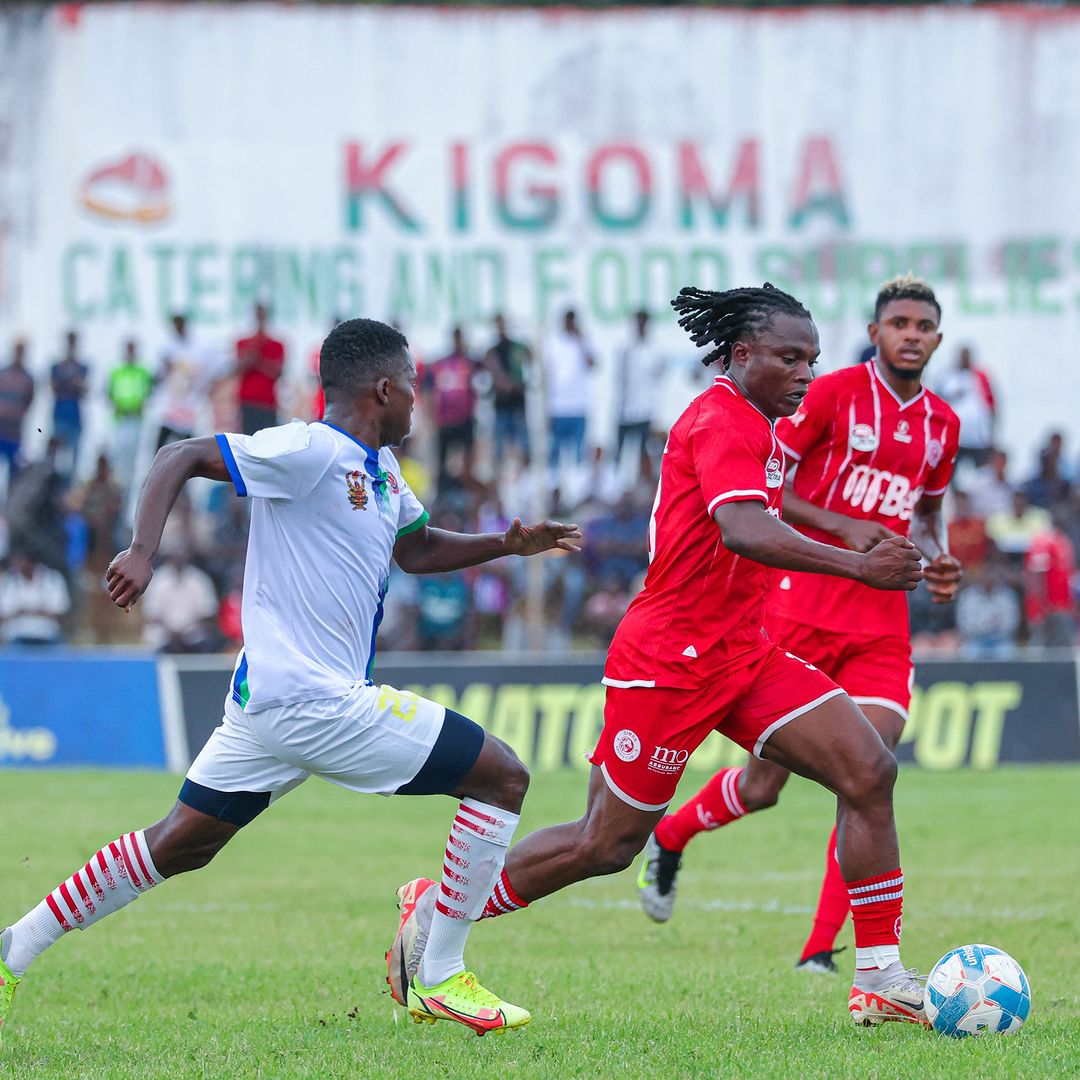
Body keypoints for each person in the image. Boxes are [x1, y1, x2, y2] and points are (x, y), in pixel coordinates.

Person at [0, 318, 582, 1039]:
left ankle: (11, 950)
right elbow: (180, 453)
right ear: (382, 389)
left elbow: (419, 547)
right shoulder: (308, 449)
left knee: (180, 843)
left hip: (270, 704)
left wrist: (506, 543)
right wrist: (142, 550)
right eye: (413, 387)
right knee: (502, 776)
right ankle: (437, 973)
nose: (417, 401)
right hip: (313, 700)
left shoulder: (383, 471)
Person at [390, 283, 935, 1029]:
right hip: (668, 663)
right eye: (790, 358)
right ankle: (440, 909)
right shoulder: (718, 420)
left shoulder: (767, 424)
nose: (806, 373)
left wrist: (857, 535)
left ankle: (878, 975)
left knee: (869, 769)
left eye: (813, 358)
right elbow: (744, 529)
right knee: (605, 844)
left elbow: (760, 529)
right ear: (742, 355)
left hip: (745, 653)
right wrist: (856, 562)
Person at [633, 274, 961, 978]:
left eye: (924, 325)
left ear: (937, 338)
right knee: (761, 788)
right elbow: (774, 491)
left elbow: (927, 516)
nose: (911, 334)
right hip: (794, 608)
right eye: (898, 322)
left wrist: (937, 558)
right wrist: (845, 532)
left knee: (866, 772)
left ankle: (826, 950)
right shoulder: (827, 393)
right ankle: (671, 832)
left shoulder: (943, 425)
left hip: (880, 625)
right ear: (875, 333)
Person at [423, 326, 479, 488]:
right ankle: (444, 490)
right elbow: (429, 389)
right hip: (445, 420)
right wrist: (431, 416)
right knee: (443, 460)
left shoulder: (470, 363)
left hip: (465, 419)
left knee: (467, 459)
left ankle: (465, 488)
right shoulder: (441, 363)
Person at [543, 309, 596, 469]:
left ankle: (577, 489)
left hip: (578, 407)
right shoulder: (554, 343)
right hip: (558, 408)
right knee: (555, 454)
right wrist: (547, 407)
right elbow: (547, 377)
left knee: (579, 455)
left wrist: (582, 341)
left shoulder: (583, 342)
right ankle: (555, 488)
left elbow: (592, 363)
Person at [613, 310, 666, 468]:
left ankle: (643, 487)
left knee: (645, 452)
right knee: (622, 453)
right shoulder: (626, 349)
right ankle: (622, 487)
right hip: (626, 410)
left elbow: (659, 379)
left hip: (646, 410)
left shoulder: (655, 350)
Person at [935, 345, 996, 470]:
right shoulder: (947, 376)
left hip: (978, 438)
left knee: (982, 473)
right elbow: (938, 402)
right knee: (948, 472)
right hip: (955, 438)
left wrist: (992, 430)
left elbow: (991, 403)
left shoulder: (980, 376)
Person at [107, 339, 155, 492]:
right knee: (117, 459)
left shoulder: (142, 371)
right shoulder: (117, 371)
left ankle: (128, 498)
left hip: (135, 420)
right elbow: (109, 394)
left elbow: (149, 393)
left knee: (132, 462)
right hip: (120, 420)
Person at [484, 314, 531, 460]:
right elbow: (491, 370)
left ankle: (524, 471)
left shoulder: (518, 346)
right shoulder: (493, 351)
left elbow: (530, 359)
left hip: (517, 402)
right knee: (499, 442)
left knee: (523, 440)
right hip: (502, 402)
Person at [0, 548, 71, 645]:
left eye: (22, 561)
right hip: (16, 633)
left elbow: (58, 611)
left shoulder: (52, 579)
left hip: (46, 632)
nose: (18, 565)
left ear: (32, 562)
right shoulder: (9, 581)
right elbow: (5, 613)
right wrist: (38, 610)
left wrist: (24, 611)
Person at [235, 302, 286, 435]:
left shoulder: (277, 344)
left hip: (268, 403)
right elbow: (238, 369)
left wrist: (257, 361)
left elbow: (278, 373)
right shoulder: (243, 342)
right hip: (248, 403)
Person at [50, 330, 90, 478]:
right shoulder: (57, 366)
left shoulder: (82, 367)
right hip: (59, 416)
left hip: (75, 417)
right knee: (55, 457)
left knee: (73, 459)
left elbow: (85, 388)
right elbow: (53, 388)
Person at [0, 338, 35, 484]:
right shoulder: (3, 374)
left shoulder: (28, 378)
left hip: (15, 432)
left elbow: (29, 401)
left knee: (14, 474)